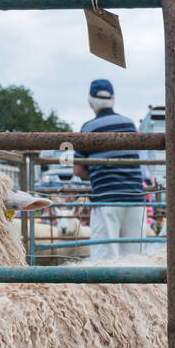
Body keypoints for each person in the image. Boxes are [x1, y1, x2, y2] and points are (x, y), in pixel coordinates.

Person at [73, 79, 147, 260]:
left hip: (106, 198)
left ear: (90, 102)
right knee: (135, 258)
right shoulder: (129, 125)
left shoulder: (88, 128)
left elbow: (77, 170)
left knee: (105, 260)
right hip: (135, 198)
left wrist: (97, 171)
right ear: (113, 100)